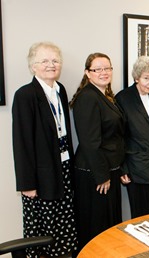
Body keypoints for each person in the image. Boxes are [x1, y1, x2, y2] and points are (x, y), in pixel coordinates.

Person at [12, 42, 77, 258]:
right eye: (45, 61)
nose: (51, 65)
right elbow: (21, 143)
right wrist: (27, 184)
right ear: (33, 66)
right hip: (39, 176)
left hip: (63, 168)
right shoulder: (25, 95)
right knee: (43, 229)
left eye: (55, 60)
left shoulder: (60, 91)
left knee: (64, 221)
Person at [70, 53, 126, 254]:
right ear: (87, 73)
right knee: (96, 226)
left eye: (107, 68)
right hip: (94, 173)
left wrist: (118, 168)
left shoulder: (104, 95)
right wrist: (101, 176)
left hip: (108, 168)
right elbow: (90, 142)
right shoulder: (87, 97)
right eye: (97, 69)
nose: (103, 72)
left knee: (108, 226)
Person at [115, 56, 149, 218]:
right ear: (137, 77)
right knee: (140, 217)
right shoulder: (123, 98)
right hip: (136, 166)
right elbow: (119, 136)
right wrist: (123, 168)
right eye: (146, 78)